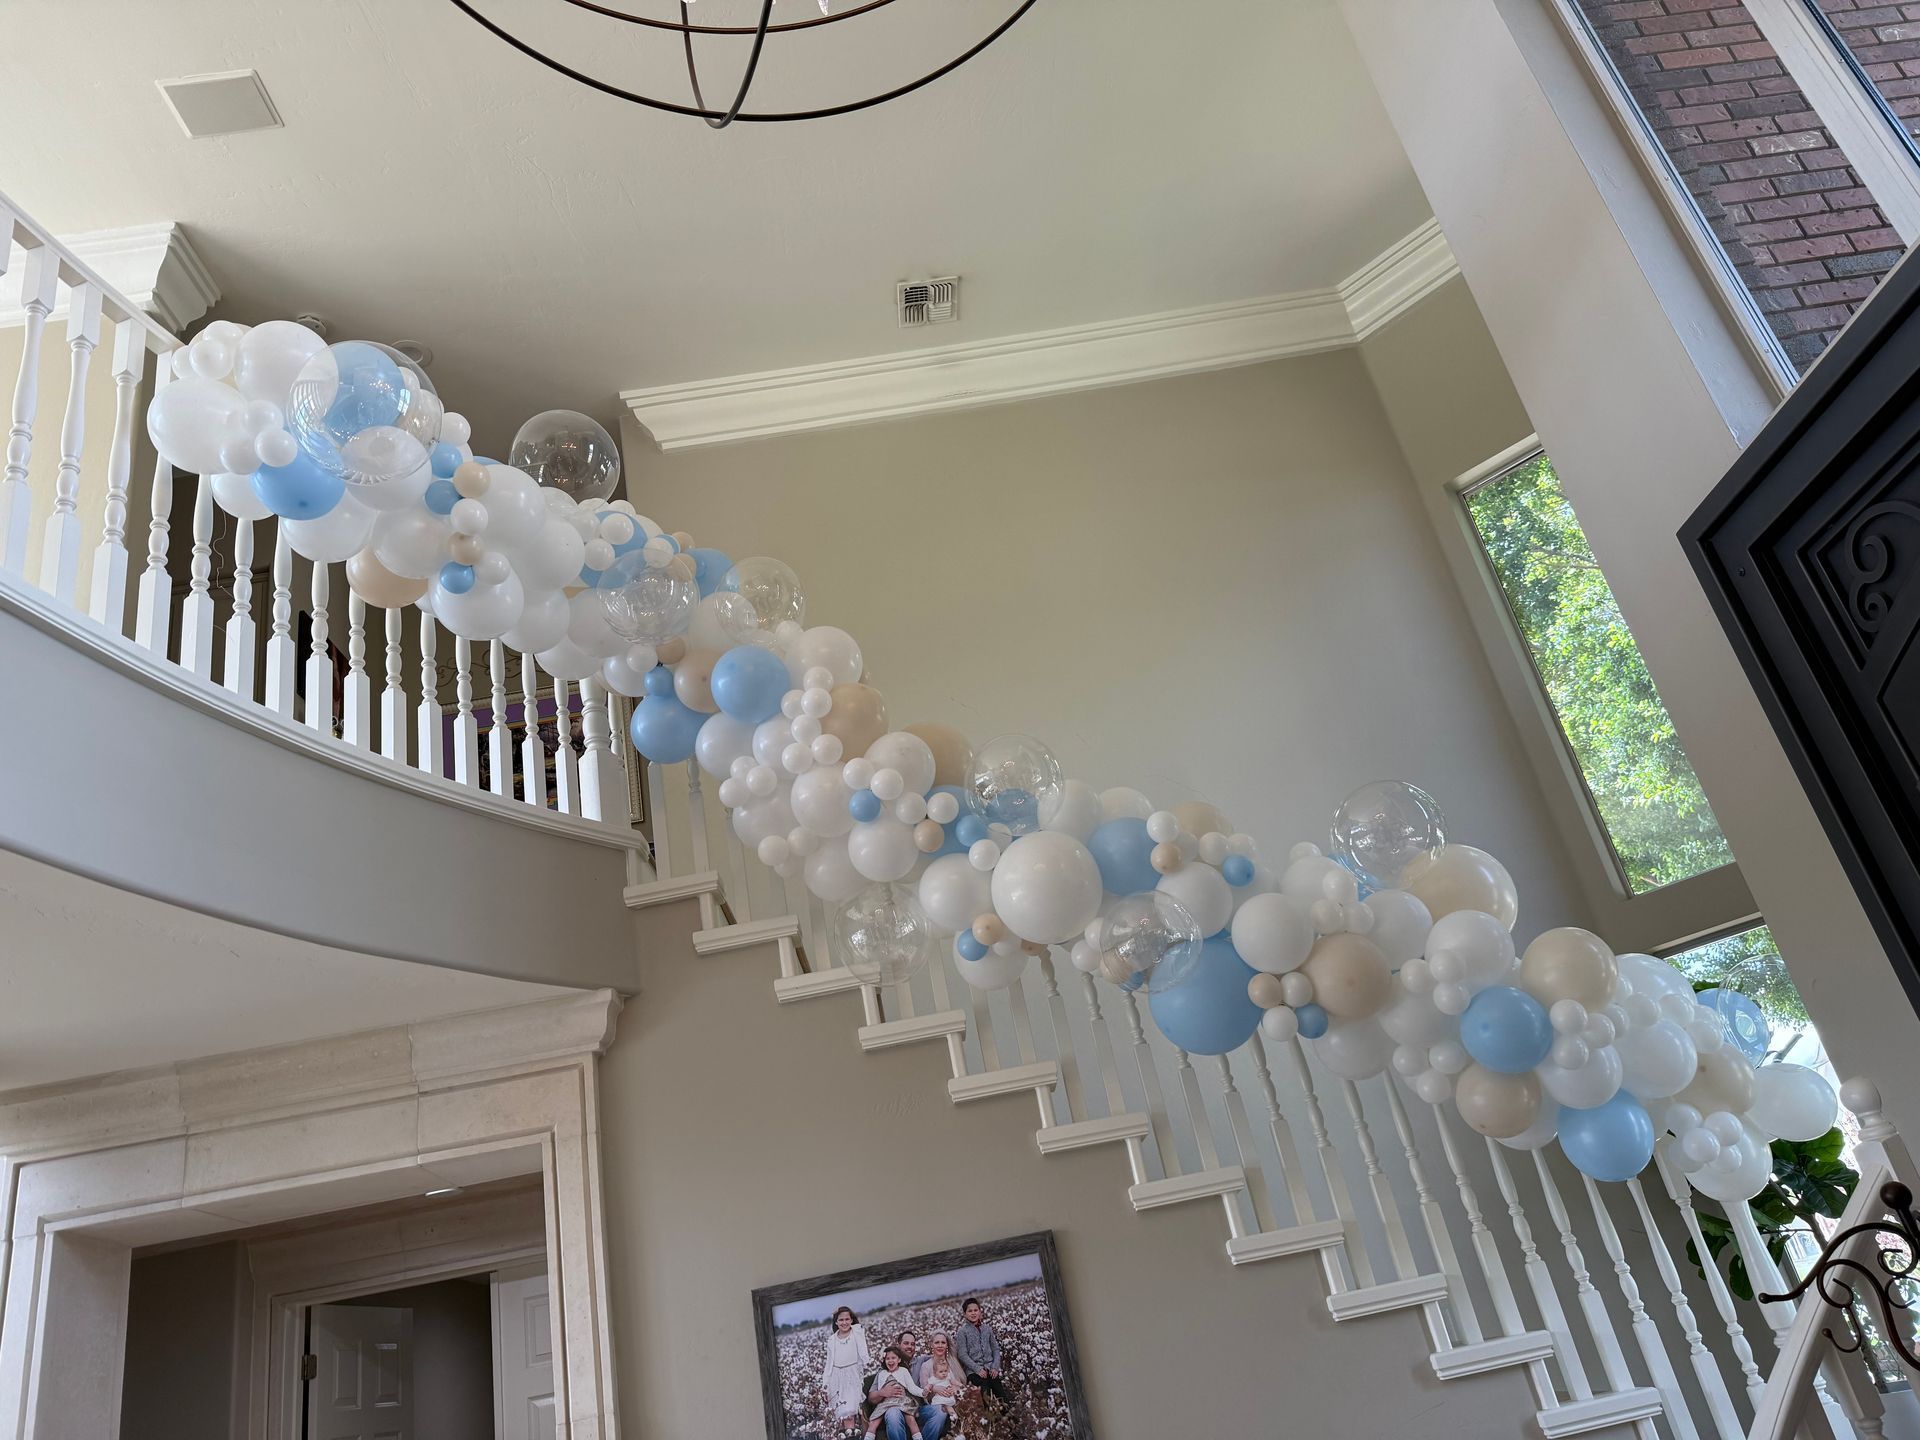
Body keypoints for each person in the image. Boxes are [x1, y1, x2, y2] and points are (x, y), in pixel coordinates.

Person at [872, 1329, 950, 1440]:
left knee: (941, 1410)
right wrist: (882, 1392)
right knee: (892, 1413)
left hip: (917, 1410)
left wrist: (942, 1345)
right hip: (895, 1409)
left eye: (913, 1344)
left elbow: (940, 1356)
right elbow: (871, 1397)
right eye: (906, 1343)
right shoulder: (884, 1370)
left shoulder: (921, 1361)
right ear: (898, 1345)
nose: (910, 1346)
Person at [955, 1297, 1015, 1416]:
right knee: (985, 1394)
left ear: (980, 1311)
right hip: (974, 1372)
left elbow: (995, 1349)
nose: (973, 1313)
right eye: (970, 1311)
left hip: (990, 1369)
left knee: (1001, 1394)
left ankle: (1008, 1422)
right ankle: (992, 1422)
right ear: (965, 1314)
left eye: (975, 1310)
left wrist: (995, 1367)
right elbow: (962, 1354)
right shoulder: (962, 1332)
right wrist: (977, 1369)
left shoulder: (987, 1329)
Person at [820, 1306, 871, 1438]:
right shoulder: (832, 1340)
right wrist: (825, 1385)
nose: (844, 1322)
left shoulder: (856, 1332)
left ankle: (854, 1434)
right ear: (836, 1322)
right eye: (840, 1320)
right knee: (842, 1414)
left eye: (847, 1319)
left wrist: (841, 1309)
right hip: (836, 1378)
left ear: (852, 1320)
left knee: (849, 1411)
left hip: (852, 1376)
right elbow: (829, 1364)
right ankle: (850, 1435)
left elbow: (859, 1329)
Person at [864, 1348, 924, 1439]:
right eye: (888, 1359)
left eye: (893, 1358)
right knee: (873, 1422)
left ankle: (918, 1438)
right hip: (886, 1402)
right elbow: (878, 1391)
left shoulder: (903, 1371)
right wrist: (883, 1392)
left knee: (911, 1419)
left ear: (899, 1360)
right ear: (884, 1360)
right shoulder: (882, 1373)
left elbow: (912, 1387)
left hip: (901, 1400)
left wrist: (923, 1392)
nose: (890, 1361)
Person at [918, 1332, 965, 1436]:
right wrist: (934, 1388)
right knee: (941, 1411)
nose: (940, 1345)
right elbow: (924, 1393)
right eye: (937, 1342)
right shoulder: (926, 1366)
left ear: (947, 1345)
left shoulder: (952, 1362)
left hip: (955, 1400)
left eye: (943, 1342)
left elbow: (959, 1384)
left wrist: (955, 1388)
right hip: (937, 1403)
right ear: (932, 1345)